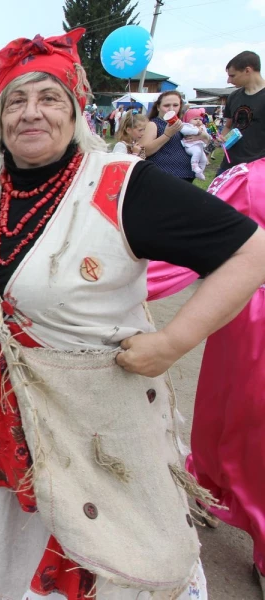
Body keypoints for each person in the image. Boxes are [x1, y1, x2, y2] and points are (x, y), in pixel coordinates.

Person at [0, 28, 265, 599]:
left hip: (90, 426)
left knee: (93, 546)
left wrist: (173, 342)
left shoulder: (123, 186)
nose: (31, 112)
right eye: (16, 101)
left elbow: (252, 252)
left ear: (76, 110)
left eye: (49, 98)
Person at [148, 159, 265, 599]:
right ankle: (212, 486)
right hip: (255, 326)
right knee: (243, 420)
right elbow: (192, 241)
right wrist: (109, 277)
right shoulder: (251, 180)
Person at [140, 91, 210, 182]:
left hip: (186, 175)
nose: (171, 109)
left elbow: (206, 142)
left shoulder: (184, 124)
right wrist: (167, 135)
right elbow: (144, 151)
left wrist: (203, 136)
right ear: (158, 107)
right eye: (166, 105)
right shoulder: (154, 124)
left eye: (175, 105)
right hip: (164, 175)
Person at [219, 50, 265, 175]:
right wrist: (223, 138)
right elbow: (228, 126)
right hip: (229, 165)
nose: (228, 80)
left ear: (247, 70)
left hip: (257, 169)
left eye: (232, 75)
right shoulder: (233, 96)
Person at [180, 108, 210, 179]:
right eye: (195, 119)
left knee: (204, 160)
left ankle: (199, 172)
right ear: (188, 120)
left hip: (200, 146)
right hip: (190, 146)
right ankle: (194, 166)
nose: (198, 121)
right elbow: (184, 131)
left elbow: (207, 136)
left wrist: (204, 134)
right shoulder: (187, 125)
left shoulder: (202, 127)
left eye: (200, 119)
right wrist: (197, 131)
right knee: (197, 152)